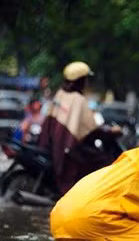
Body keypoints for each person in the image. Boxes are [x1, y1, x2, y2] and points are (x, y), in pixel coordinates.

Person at [39, 61, 122, 196]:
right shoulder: (78, 100)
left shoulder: (61, 94)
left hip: (56, 146)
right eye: (85, 79)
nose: (87, 83)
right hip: (69, 150)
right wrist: (111, 131)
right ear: (80, 80)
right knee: (102, 161)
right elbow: (92, 130)